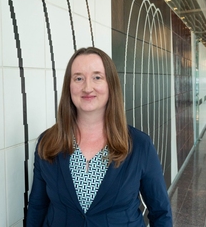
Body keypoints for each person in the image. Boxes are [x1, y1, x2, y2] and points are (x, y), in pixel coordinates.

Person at [26, 47, 172, 226]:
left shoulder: (140, 145)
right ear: (69, 86)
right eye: (78, 78)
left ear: (110, 84)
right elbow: (38, 207)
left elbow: (161, 212)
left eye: (97, 77)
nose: (87, 87)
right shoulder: (48, 142)